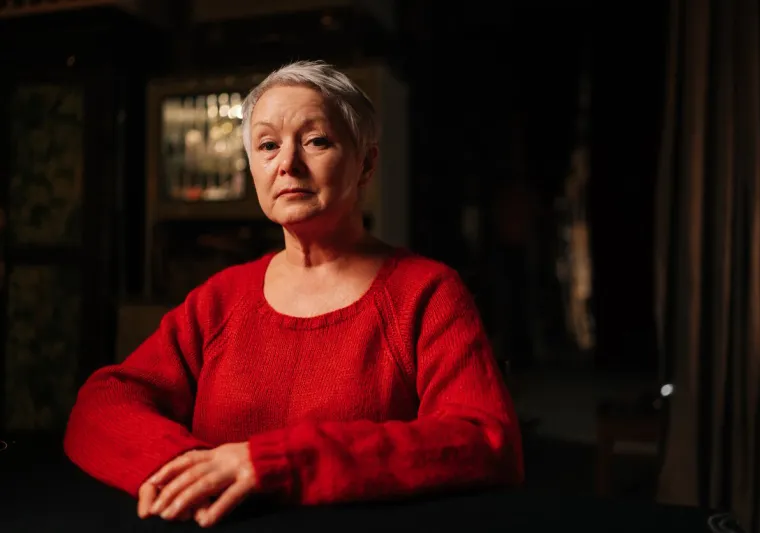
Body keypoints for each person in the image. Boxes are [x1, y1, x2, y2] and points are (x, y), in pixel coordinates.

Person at [64, 60, 524, 528]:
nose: (287, 163)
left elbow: (484, 441)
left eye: (316, 140)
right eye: (267, 145)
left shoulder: (426, 293)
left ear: (366, 163)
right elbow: (101, 403)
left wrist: (271, 464)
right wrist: (190, 467)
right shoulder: (219, 299)